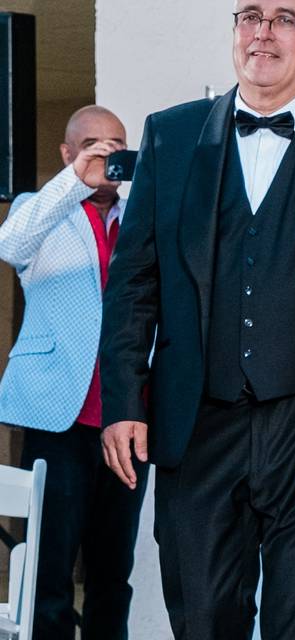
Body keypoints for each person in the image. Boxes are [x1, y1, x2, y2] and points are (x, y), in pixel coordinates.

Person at [97, 1, 295, 637]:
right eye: (249, 14)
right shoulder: (172, 135)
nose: (263, 31)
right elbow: (134, 283)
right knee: (201, 616)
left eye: (284, 18)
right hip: (198, 422)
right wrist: (121, 401)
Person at [0, 106, 145, 640]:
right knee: (49, 569)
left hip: (127, 419)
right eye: (92, 145)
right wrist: (73, 182)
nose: (105, 155)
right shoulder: (41, 210)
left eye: (116, 145)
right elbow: (8, 244)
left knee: (113, 570)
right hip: (57, 416)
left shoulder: (140, 215)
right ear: (68, 153)